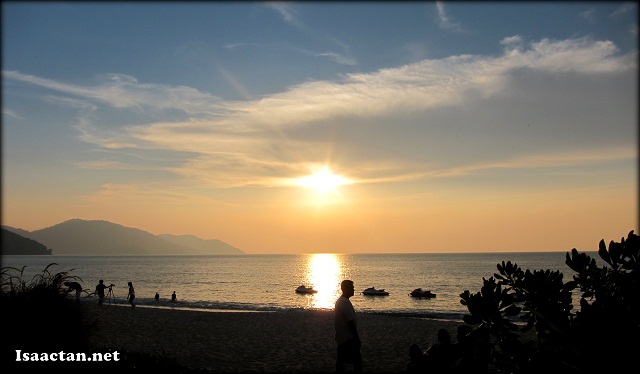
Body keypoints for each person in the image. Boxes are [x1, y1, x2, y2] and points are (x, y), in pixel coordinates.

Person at [334, 279, 362, 373]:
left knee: (341, 360)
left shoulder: (341, 301)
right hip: (347, 338)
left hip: (342, 337)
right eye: (352, 287)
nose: (354, 290)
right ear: (346, 289)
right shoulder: (344, 302)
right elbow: (350, 322)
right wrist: (356, 337)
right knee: (357, 361)